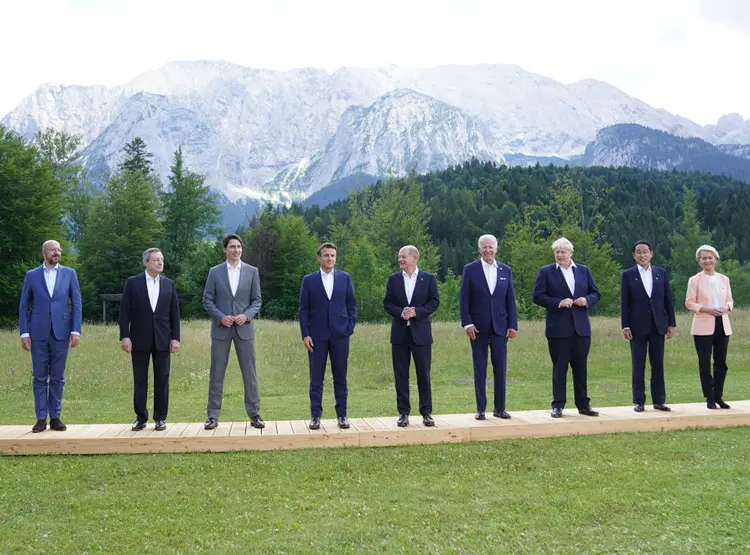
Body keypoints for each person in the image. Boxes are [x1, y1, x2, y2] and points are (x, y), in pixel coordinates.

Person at [532, 237, 600, 418]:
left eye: (563, 252)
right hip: (558, 329)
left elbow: (595, 293)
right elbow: (537, 296)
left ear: (571, 253)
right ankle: (558, 405)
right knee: (559, 367)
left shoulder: (584, 271)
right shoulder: (546, 271)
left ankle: (583, 404)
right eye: (557, 252)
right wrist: (558, 302)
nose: (560, 255)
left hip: (581, 329)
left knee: (580, 367)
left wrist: (587, 300)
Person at [19, 240, 82, 433]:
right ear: (44, 252)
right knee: (39, 377)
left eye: (59, 250)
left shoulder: (69, 274)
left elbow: (77, 303)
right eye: (53, 250)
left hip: (62, 332)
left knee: (57, 377)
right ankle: (40, 419)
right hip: (37, 333)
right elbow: (24, 305)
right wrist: (24, 332)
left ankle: (55, 417)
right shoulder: (32, 275)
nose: (57, 252)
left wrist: (75, 330)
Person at [203, 233, 264, 430]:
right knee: (217, 374)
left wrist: (246, 316)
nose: (236, 250)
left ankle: (254, 414)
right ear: (225, 249)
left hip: (244, 329)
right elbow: (207, 300)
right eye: (232, 247)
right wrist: (221, 316)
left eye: (239, 247)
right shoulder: (214, 272)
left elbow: (257, 301)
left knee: (250, 374)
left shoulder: (252, 271)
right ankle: (212, 416)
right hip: (221, 330)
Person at [119, 248, 180, 431]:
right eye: (156, 260)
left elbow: (174, 314)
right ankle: (140, 417)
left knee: (162, 379)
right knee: (140, 380)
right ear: (146, 262)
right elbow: (124, 312)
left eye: (162, 259)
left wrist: (175, 338)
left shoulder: (169, 284)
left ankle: (160, 418)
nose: (160, 263)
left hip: (163, 339)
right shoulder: (133, 283)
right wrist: (125, 336)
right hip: (138, 339)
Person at [298, 242, 357, 430]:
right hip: (316, 336)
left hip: (340, 334)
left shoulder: (345, 278)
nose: (329, 258)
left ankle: (342, 415)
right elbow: (303, 310)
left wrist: (349, 326)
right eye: (326, 255)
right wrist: (305, 334)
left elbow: (352, 305)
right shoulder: (309, 280)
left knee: (340, 377)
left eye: (332, 255)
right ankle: (315, 416)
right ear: (319, 258)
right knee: (316, 378)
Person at [459, 234, 518, 420]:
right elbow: (464, 299)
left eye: (491, 247)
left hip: (500, 326)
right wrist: (467, 322)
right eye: (484, 247)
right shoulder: (470, 269)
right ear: (479, 249)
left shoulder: (505, 270)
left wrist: (513, 325)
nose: (487, 250)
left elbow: (510, 300)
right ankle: (480, 409)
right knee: (480, 368)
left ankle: (500, 408)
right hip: (477, 327)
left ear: (496, 248)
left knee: (500, 368)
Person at [383, 245, 440, 427]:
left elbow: (434, 302)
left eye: (403, 256)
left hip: (421, 335)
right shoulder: (393, 280)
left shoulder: (428, 279)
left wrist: (417, 312)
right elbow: (387, 303)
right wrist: (401, 312)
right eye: (399, 256)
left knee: (423, 374)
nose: (400, 259)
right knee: (401, 375)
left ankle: (426, 412)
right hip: (400, 335)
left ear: (415, 258)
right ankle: (403, 413)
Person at [620, 240, 676, 412]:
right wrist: (625, 325)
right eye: (639, 252)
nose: (642, 255)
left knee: (658, 364)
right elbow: (624, 303)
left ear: (651, 253)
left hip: (658, 325)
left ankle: (659, 400)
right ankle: (639, 401)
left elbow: (668, 299)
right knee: (638, 364)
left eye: (645, 251)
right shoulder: (628, 275)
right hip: (637, 326)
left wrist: (671, 323)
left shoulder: (661, 273)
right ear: (634, 255)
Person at [685, 245, 734, 409]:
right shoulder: (694, 280)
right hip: (703, 325)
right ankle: (709, 397)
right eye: (703, 258)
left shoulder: (724, 279)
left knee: (721, 362)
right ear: (699, 261)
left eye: (709, 257)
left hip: (722, 324)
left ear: (716, 259)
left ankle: (719, 395)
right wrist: (706, 309)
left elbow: (730, 300)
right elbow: (689, 302)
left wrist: (726, 307)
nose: (707, 260)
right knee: (704, 363)